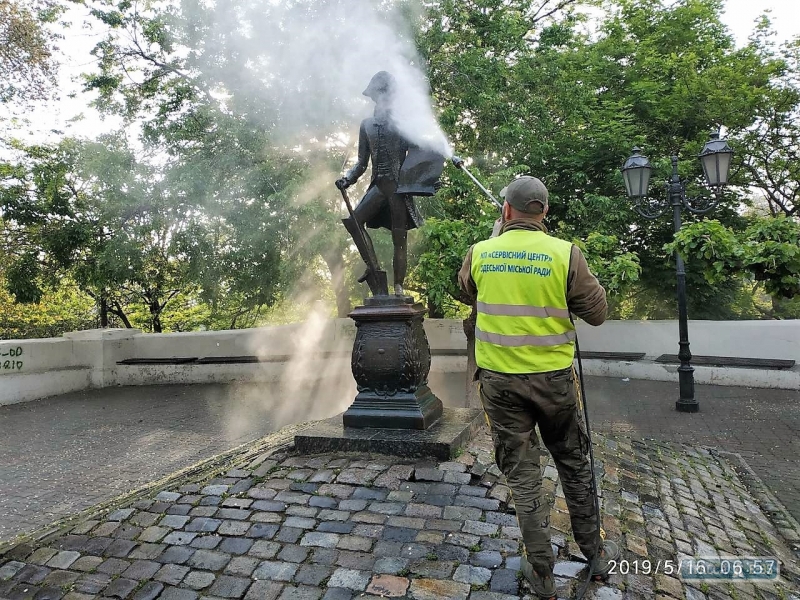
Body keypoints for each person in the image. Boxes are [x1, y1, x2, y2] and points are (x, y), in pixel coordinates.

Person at [458, 176, 620, 600]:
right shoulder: (566, 254)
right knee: (574, 463)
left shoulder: (480, 252)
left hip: (500, 385)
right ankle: (595, 555)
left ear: (507, 211)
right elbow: (598, 313)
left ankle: (542, 573)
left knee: (523, 475)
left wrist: (494, 242)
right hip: (555, 384)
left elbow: (466, 290)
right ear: (543, 213)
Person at [336, 71, 423, 297]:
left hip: (399, 190)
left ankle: (398, 287)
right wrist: (348, 179)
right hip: (378, 186)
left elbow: (422, 152)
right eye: (377, 94)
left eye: (385, 94)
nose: (381, 99)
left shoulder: (402, 124)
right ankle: (374, 269)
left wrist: (429, 181)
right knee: (353, 222)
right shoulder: (367, 126)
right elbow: (361, 163)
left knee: (399, 240)